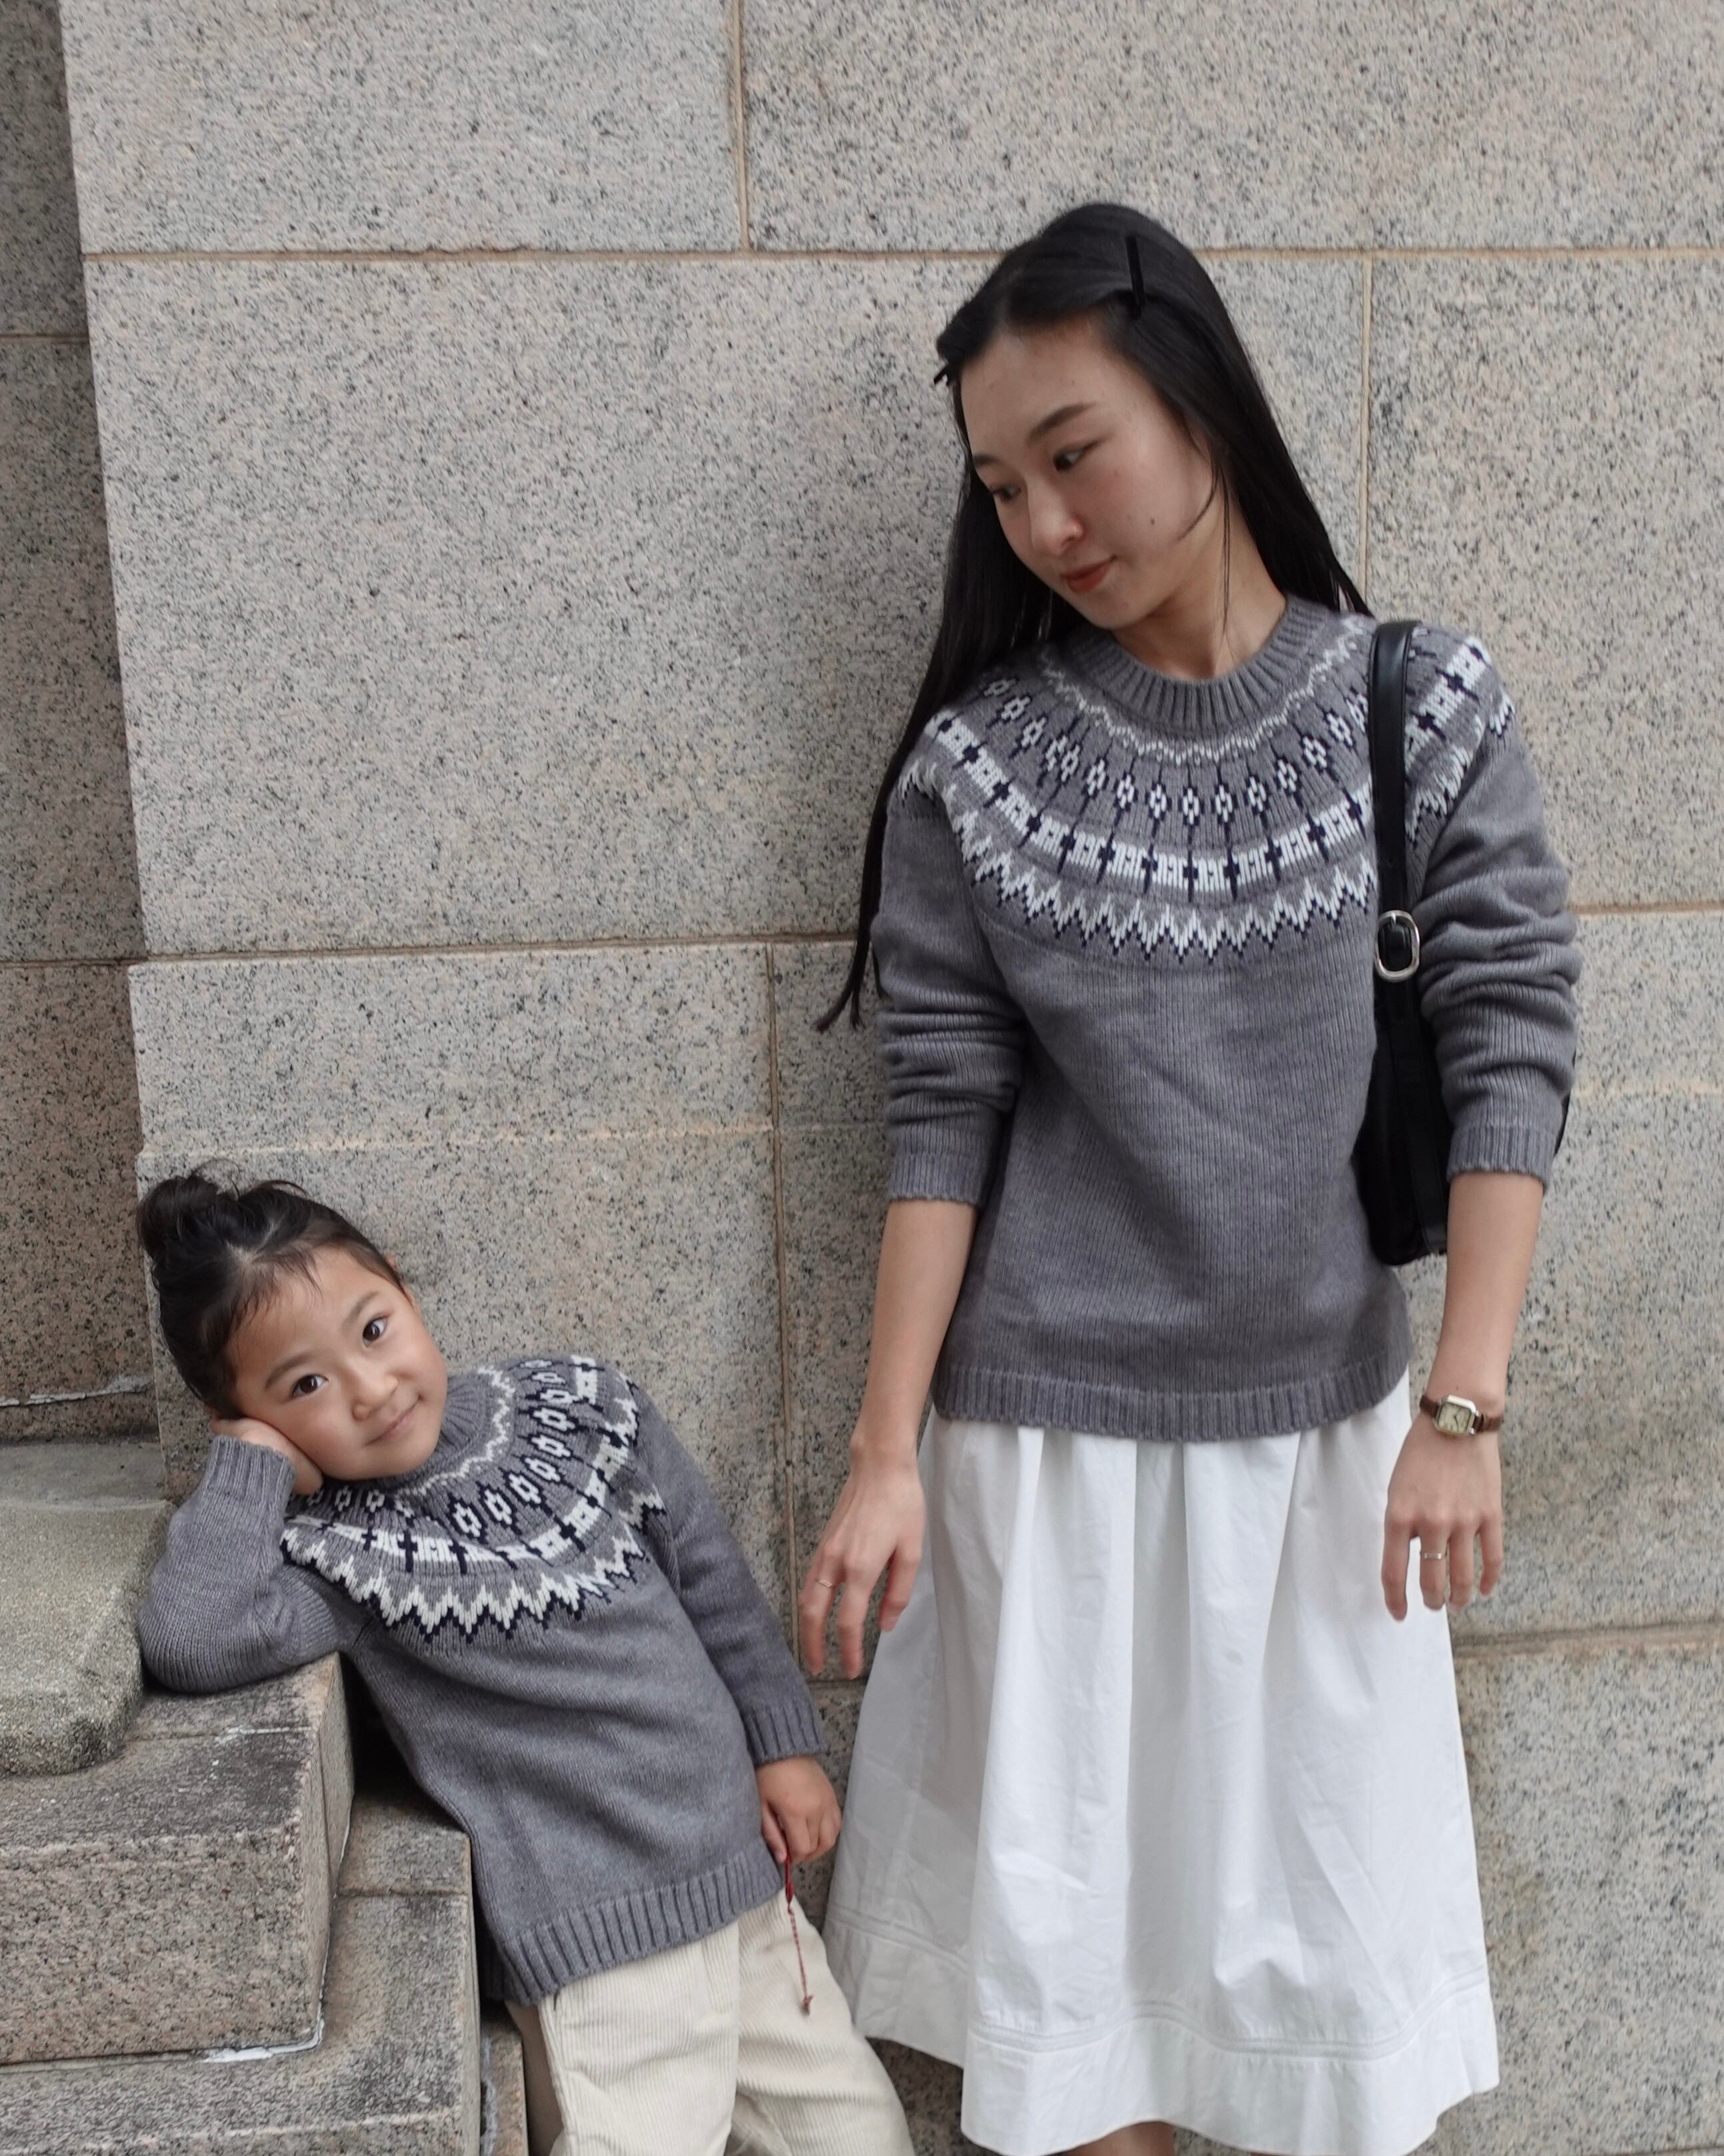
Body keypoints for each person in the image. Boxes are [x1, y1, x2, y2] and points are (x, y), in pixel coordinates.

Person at [799, 203, 1579, 2156]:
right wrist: (884, 1454)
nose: (1048, 523)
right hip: (1045, 1469)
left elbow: (1510, 1043)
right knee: (1082, 2047)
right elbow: (942, 1113)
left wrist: (1465, 1404)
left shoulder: (1420, 706)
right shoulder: (979, 768)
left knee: (1321, 2025)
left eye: (1075, 453)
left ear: (1202, 406)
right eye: (1004, 487)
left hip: (1331, 1464)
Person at [133, 1171, 913, 2156]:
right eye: (304, 1386)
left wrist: (782, 1746)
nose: (370, 1390)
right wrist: (247, 1467)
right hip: (605, 1958)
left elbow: (710, 1576)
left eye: (373, 1329)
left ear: (403, 1288)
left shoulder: (584, 1408)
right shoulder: (340, 1555)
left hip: (750, 1890)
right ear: (247, 1415)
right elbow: (191, 1635)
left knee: (863, 2134)